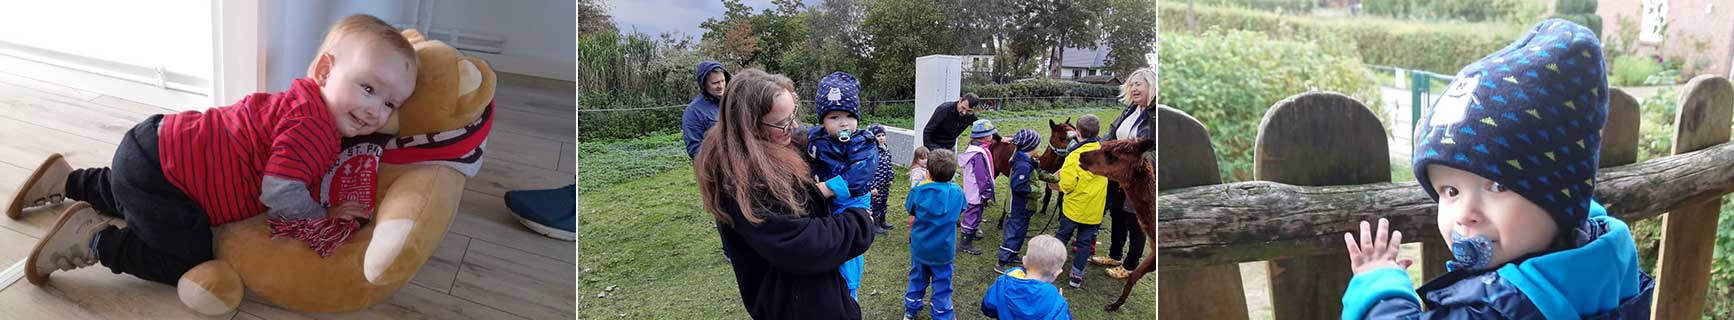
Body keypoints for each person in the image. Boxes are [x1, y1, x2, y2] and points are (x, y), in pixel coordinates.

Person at [13, 14, 418, 285]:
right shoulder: (313, 128)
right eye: (367, 88)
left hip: (156, 143)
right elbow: (280, 191)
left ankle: (68, 180)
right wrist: (322, 216)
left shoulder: (300, 101)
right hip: (167, 175)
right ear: (326, 71)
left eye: (389, 104)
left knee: (130, 191)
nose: (374, 110)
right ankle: (93, 241)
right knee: (188, 257)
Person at [1340, 20, 1653, 319]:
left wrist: (1379, 286)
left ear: (1558, 201)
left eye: (1497, 187)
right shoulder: (1603, 253)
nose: (1466, 213)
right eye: (1450, 191)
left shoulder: (1497, 308)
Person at [694, 68, 875, 319]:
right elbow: (801, 244)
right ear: (750, 127)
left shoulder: (769, 150)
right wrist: (860, 220)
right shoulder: (745, 181)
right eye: (783, 123)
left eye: (793, 115)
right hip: (796, 306)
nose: (795, 127)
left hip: (807, 296)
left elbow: (796, 207)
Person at [803, 71, 879, 299]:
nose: (843, 122)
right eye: (834, 117)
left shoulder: (863, 142)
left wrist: (826, 188)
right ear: (823, 121)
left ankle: (849, 294)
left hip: (853, 202)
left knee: (849, 250)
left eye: (848, 116)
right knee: (826, 248)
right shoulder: (815, 138)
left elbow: (859, 176)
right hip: (824, 203)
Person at [1094, 67, 1156, 279]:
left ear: (1152, 85)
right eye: (1131, 85)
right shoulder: (1131, 110)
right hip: (1119, 178)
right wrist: (1099, 147)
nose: (1134, 88)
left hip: (1138, 180)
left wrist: (1131, 163)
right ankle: (1114, 255)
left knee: (1135, 222)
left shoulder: (1157, 116)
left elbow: (1158, 151)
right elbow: (1112, 133)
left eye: (1139, 84)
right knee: (1117, 215)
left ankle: (1130, 266)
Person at [902, 149, 965, 320]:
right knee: (943, 285)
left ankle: (911, 310)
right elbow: (962, 209)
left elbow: (910, 209)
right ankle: (942, 315)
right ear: (953, 173)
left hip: (920, 248)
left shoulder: (918, 190)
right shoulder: (957, 192)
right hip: (944, 251)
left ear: (928, 171)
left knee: (917, 279)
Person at [682, 60, 733, 260]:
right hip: (716, 167)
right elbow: (694, 146)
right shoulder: (694, 112)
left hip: (741, 162)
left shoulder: (732, 101)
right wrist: (712, 166)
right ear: (704, 84)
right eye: (715, 83)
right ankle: (730, 252)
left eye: (722, 81)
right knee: (723, 209)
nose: (720, 86)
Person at [1053, 115, 1107, 288]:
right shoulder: (1104, 152)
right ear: (1098, 132)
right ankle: (1076, 276)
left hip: (1074, 208)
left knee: (1062, 236)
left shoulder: (1075, 155)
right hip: (1094, 209)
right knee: (1084, 242)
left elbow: (1067, 185)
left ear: (1077, 132)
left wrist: (1056, 183)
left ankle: (1052, 266)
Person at [998, 129, 1060, 272]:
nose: (1040, 146)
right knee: (1013, 234)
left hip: (1025, 208)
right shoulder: (1022, 165)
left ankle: (1012, 255)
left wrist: (1053, 178)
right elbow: (1019, 186)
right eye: (1038, 144)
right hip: (1018, 207)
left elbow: (1037, 173)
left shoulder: (1028, 161)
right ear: (1030, 147)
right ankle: (1002, 261)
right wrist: (1037, 191)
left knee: (1020, 232)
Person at [981, 235, 1072, 319]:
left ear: (1024, 261)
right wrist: (1060, 304)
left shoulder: (1003, 282)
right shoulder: (1057, 302)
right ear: (1057, 273)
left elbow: (988, 307)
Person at [957, 119, 998, 255]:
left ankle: (971, 233)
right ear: (985, 137)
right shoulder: (978, 154)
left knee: (976, 213)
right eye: (991, 134)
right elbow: (981, 176)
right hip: (976, 191)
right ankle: (965, 242)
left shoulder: (975, 150)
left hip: (972, 190)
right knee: (972, 215)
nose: (993, 136)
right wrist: (986, 192)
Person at [867, 124, 897, 234]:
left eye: (883, 135)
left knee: (884, 201)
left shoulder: (886, 149)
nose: (881, 138)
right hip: (876, 184)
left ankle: (883, 220)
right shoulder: (871, 152)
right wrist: (872, 186)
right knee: (876, 203)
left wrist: (890, 178)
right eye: (878, 135)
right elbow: (869, 171)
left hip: (884, 182)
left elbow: (889, 165)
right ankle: (875, 223)